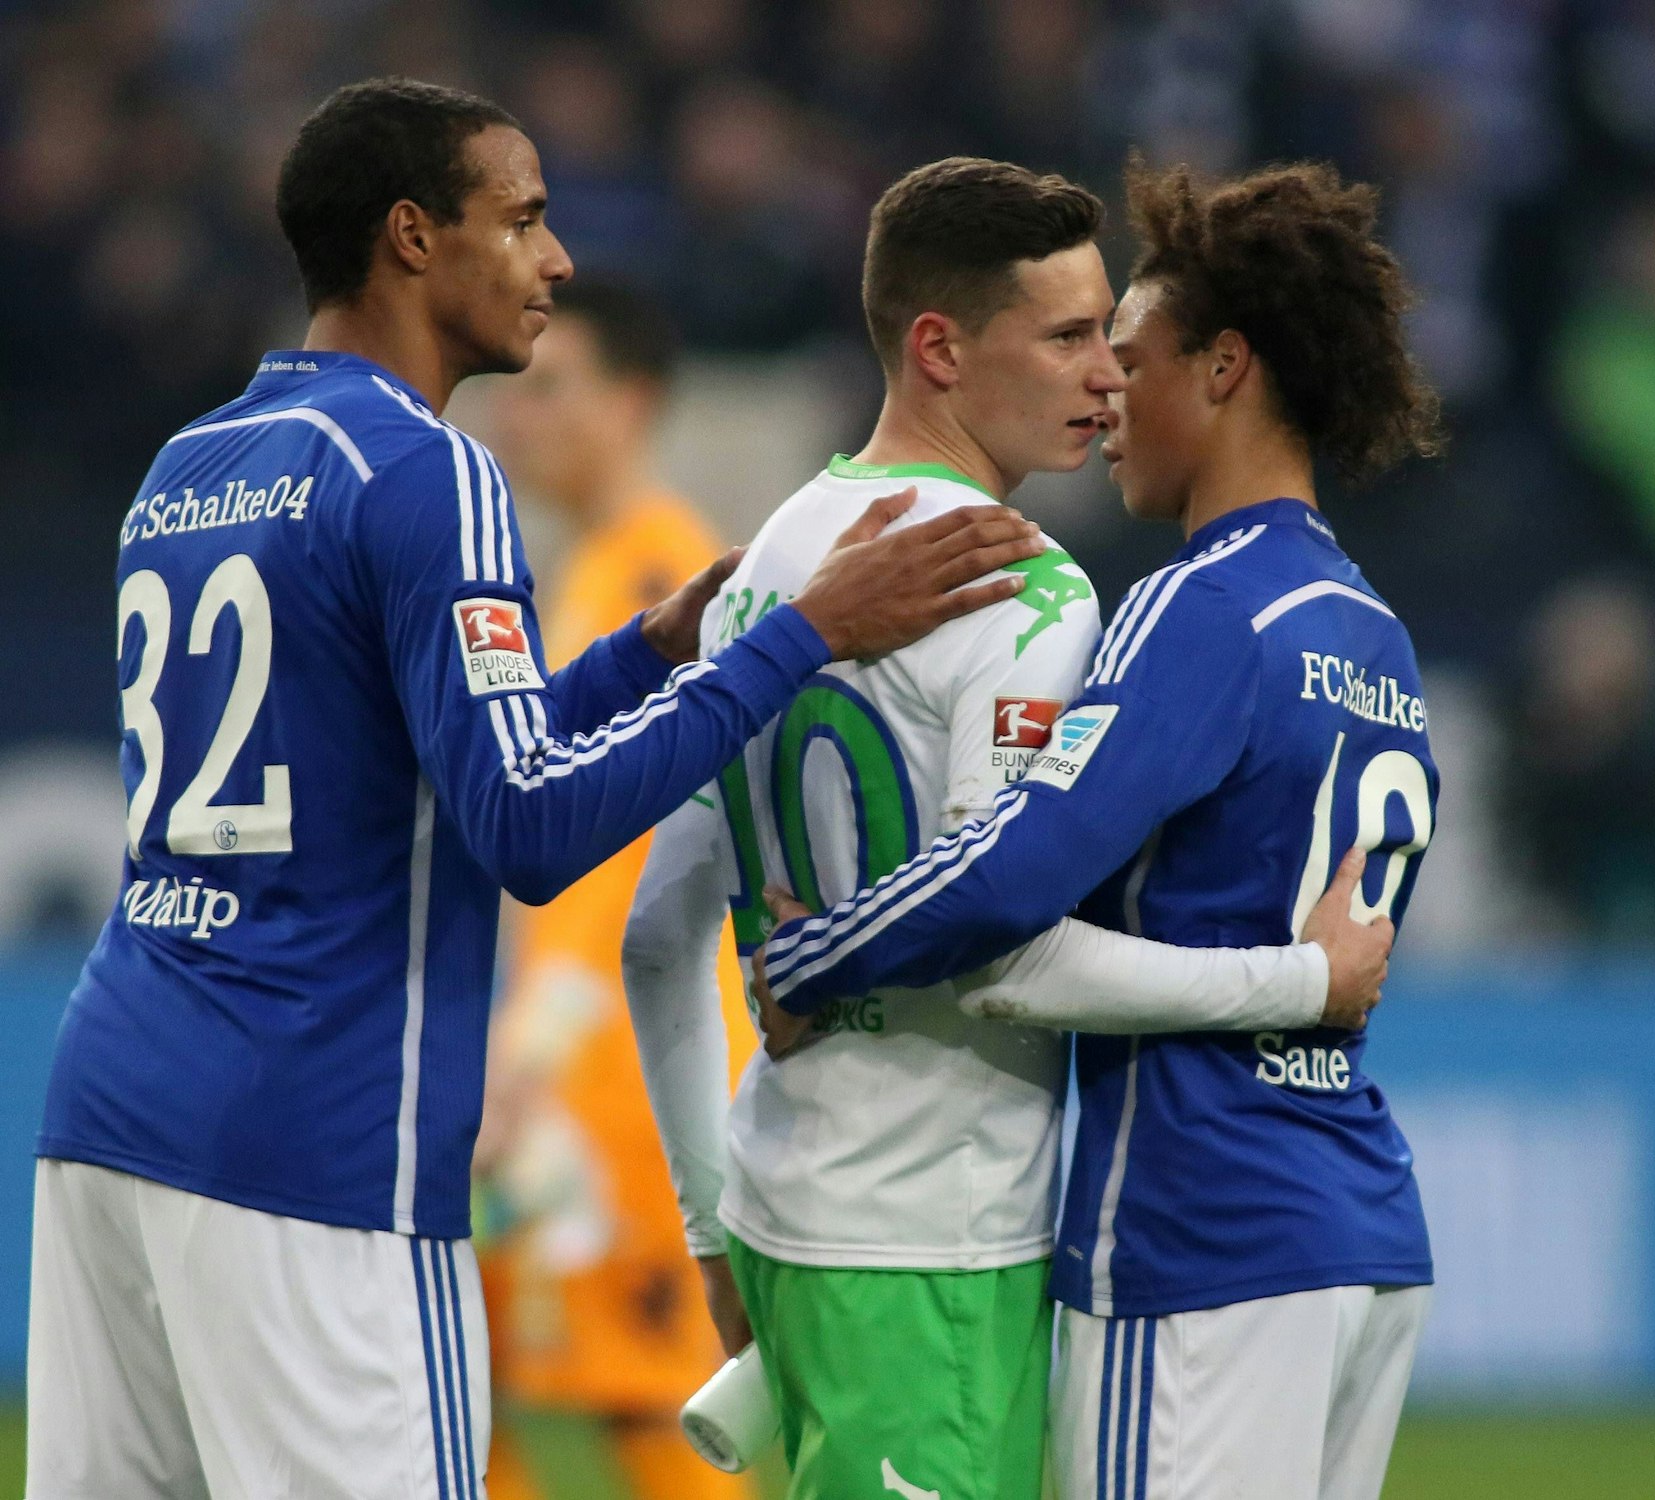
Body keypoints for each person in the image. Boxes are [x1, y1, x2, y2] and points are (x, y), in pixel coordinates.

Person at [25, 78, 1041, 1500]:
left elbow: (405, 772)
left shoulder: (190, 467)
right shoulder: (427, 471)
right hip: (310, 1141)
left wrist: (645, 651)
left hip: (109, 1115)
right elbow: (527, 827)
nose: (557, 259)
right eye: (522, 217)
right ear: (411, 239)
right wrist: (811, 634)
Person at [620, 156, 1397, 1500]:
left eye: (1109, 334)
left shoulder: (770, 569)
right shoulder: (1020, 595)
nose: (1107, 374)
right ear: (938, 348)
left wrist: (707, 1232)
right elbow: (1008, 952)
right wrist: (1301, 983)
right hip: (937, 1234)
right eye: (1067, 337)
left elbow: (656, 938)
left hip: (780, 1209)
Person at [476, 284, 759, 1500]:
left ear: (633, 402)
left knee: (647, 1400)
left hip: (630, 1079)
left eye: (553, 389)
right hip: (588, 1069)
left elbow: (634, 872)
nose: (518, 422)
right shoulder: (593, 575)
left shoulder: (662, 576)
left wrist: (528, 1052)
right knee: (518, 1392)